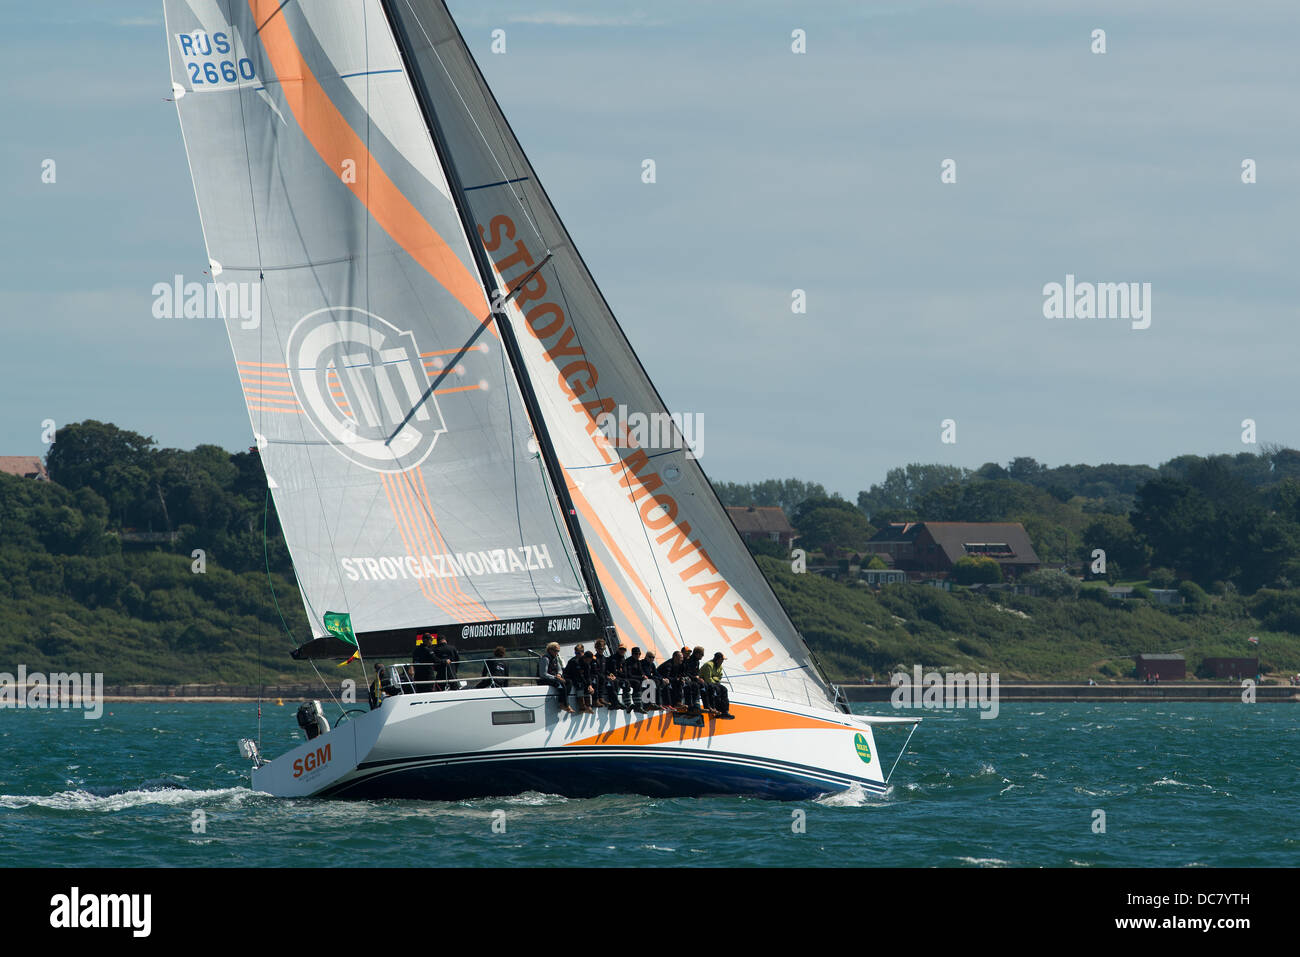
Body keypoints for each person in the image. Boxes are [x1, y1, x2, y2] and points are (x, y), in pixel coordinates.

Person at [538, 642, 573, 712]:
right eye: (556, 651)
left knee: (569, 682)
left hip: (555, 678)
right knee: (561, 684)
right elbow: (543, 674)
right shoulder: (545, 659)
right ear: (550, 650)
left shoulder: (555, 658)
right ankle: (564, 704)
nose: (557, 653)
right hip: (545, 679)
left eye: (558, 651)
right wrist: (556, 678)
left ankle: (563, 702)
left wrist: (559, 675)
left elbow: (560, 669)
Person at [699, 652, 735, 718]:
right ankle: (717, 710)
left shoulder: (720, 666)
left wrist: (714, 678)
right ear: (717, 659)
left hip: (714, 683)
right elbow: (708, 679)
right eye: (722, 660)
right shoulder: (709, 665)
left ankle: (725, 711)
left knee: (724, 689)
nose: (722, 661)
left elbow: (719, 677)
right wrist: (715, 679)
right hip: (706, 683)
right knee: (716, 689)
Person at [564, 643, 594, 713]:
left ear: (583, 652)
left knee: (586, 685)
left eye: (578, 653)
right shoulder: (573, 662)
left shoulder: (586, 662)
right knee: (580, 685)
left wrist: (590, 685)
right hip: (571, 677)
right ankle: (582, 706)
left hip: (580, 678)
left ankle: (588, 705)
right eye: (576, 653)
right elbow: (576, 676)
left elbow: (587, 675)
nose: (577, 655)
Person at [682, 646, 705, 714]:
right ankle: (693, 705)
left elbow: (697, 672)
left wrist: (698, 677)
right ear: (697, 654)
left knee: (704, 685)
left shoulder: (697, 662)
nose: (702, 656)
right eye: (702, 654)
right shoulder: (689, 660)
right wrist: (695, 678)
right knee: (695, 685)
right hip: (688, 678)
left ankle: (703, 706)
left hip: (693, 678)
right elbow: (686, 672)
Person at [592, 637, 611, 708]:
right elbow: (594, 670)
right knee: (600, 678)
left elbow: (606, 670)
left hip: (603, 676)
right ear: (596, 648)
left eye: (603, 649)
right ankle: (599, 698)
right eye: (600, 649)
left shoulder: (604, 658)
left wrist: (610, 675)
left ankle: (613, 701)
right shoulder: (594, 658)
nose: (601, 650)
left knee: (613, 681)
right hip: (596, 676)